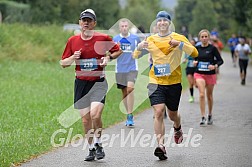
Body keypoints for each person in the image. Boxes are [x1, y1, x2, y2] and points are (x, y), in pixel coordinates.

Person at [133, 11, 198, 160]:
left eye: (165, 20)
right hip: (155, 81)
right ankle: (161, 145)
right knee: (158, 111)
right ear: (156, 24)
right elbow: (135, 56)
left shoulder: (178, 37)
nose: (162, 23)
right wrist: (139, 47)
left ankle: (177, 127)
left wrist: (179, 45)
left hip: (174, 83)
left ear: (169, 23)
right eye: (159, 21)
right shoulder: (151, 39)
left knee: (172, 114)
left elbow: (194, 53)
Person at [60, 9, 122, 161]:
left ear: (94, 23)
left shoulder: (102, 38)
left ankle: (99, 143)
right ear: (79, 23)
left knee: (95, 115)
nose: (86, 23)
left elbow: (118, 51)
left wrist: (108, 57)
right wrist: (72, 58)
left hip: (98, 83)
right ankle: (91, 148)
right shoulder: (72, 41)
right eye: (83, 20)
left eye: (89, 20)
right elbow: (63, 63)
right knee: (85, 120)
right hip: (81, 84)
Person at [113, 19, 141, 126]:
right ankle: (129, 113)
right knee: (124, 92)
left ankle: (130, 115)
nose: (124, 28)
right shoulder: (116, 39)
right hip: (120, 69)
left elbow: (141, 50)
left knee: (130, 88)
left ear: (128, 27)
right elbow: (112, 52)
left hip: (132, 67)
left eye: (126, 26)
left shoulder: (135, 38)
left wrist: (137, 53)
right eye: (122, 26)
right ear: (119, 28)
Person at [193, 29, 224, 126]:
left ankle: (210, 114)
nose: (204, 38)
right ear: (199, 38)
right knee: (202, 94)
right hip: (199, 74)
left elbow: (220, 61)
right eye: (202, 37)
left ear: (209, 38)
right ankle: (203, 117)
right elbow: (195, 59)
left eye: (206, 36)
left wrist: (214, 66)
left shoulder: (213, 48)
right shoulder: (197, 48)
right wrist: (195, 63)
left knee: (209, 96)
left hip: (210, 74)